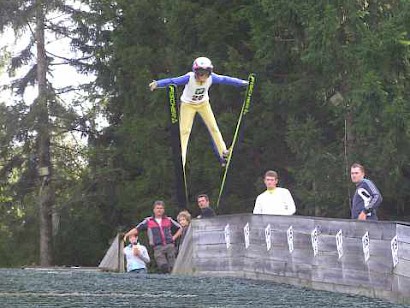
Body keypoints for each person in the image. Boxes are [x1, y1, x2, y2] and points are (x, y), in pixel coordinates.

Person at [149, 56, 248, 167]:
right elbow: (173, 81)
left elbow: (226, 80)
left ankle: (223, 155)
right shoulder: (189, 78)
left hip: (203, 104)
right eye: (200, 73)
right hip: (188, 105)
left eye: (205, 73)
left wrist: (243, 83)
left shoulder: (212, 78)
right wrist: (158, 83)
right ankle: (181, 160)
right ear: (195, 72)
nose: (203, 76)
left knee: (213, 127)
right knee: (184, 131)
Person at [123, 200, 182, 273]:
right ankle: (166, 278)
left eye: (161, 208)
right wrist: (127, 234)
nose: (159, 210)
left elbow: (180, 228)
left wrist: (174, 237)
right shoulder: (148, 221)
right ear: (154, 210)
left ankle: (174, 279)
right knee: (163, 266)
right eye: (157, 208)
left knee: (173, 266)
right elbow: (137, 229)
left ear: (163, 210)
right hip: (158, 247)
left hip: (169, 245)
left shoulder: (168, 220)